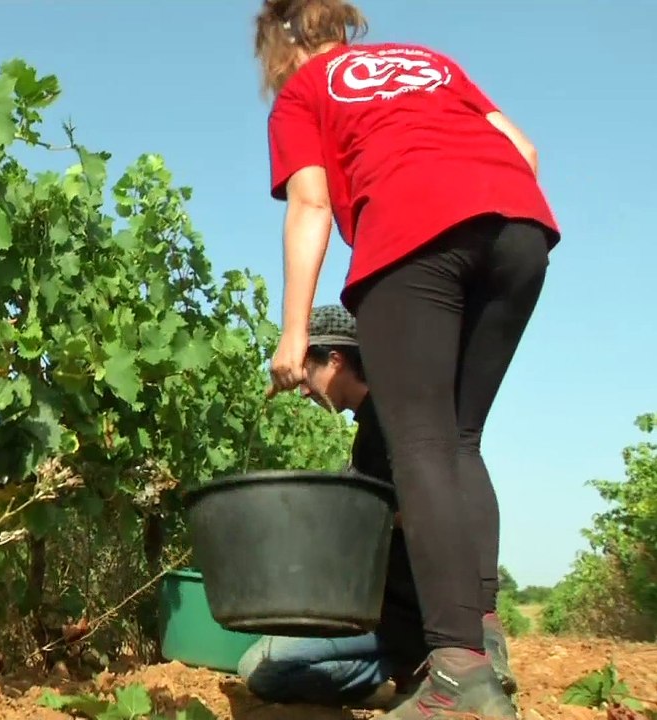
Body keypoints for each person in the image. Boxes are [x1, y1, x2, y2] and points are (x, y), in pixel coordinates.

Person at [254, 0, 559, 717]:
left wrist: (294, 331)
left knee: (419, 446)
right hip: (519, 227)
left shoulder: (303, 92)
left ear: (284, 45)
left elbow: (311, 204)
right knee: (460, 440)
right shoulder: (429, 61)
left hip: (412, 233)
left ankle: (457, 675)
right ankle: (482, 641)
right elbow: (524, 150)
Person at [237, 306, 518, 711]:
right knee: (263, 662)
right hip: (384, 614)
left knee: (261, 668)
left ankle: (421, 669)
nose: (303, 391)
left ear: (335, 360)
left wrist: (353, 522)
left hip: (403, 616)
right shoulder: (375, 425)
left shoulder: (392, 426)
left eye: (307, 372)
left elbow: (424, 509)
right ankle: (410, 679)